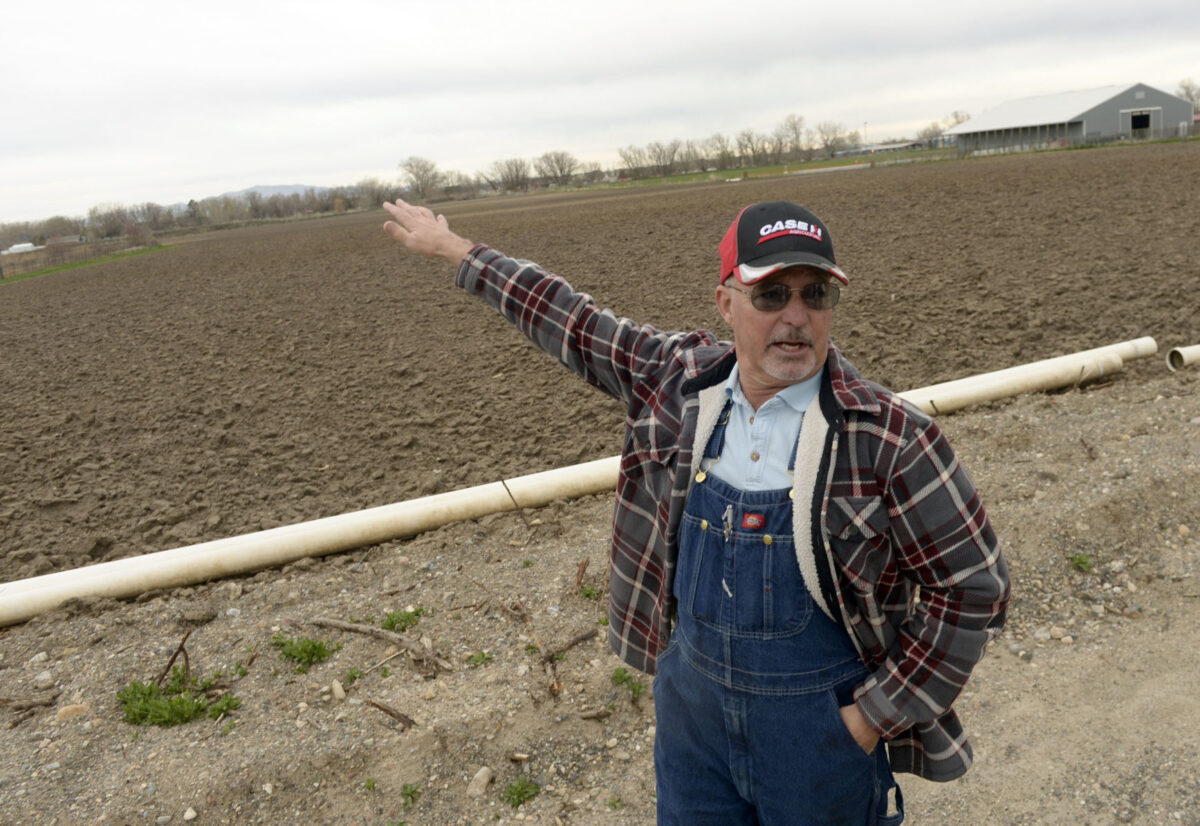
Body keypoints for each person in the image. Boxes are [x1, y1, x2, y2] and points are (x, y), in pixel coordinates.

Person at [382, 198, 1010, 825]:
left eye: (815, 294)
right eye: (770, 296)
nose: (796, 317)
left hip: (819, 740)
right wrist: (457, 251)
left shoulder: (888, 437)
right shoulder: (676, 383)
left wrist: (871, 717)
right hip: (692, 723)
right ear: (726, 303)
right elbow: (572, 320)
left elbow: (976, 588)